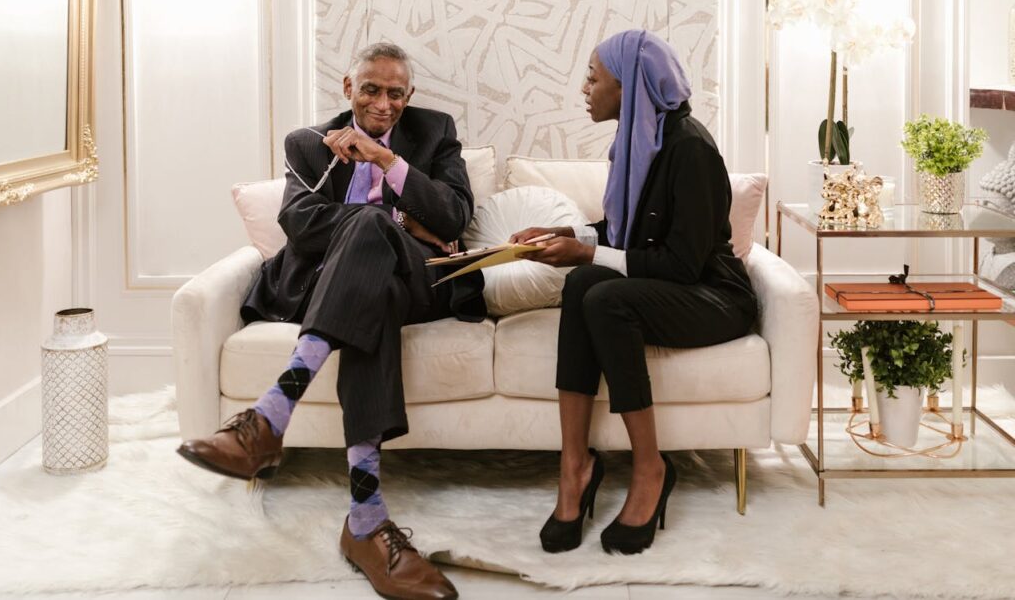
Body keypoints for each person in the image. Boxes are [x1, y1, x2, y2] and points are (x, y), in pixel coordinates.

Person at [177, 42, 485, 600]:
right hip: (337, 282)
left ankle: (271, 417)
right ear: (348, 88)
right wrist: (395, 221)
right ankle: (365, 520)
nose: (384, 103)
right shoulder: (309, 144)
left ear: (409, 96)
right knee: (375, 277)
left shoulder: (436, 133)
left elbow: (453, 216)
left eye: (396, 93)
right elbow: (300, 225)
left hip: (425, 279)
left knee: (374, 238)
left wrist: (386, 162)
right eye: (371, 89)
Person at [510, 30, 758, 555]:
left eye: (594, 77)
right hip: (677, 285)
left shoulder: (690, 148)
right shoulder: (641, 140)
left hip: (714, 299)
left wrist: (586, 253)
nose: (585, 87)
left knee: (604, 294)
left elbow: (681, 265)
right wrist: (569, 239)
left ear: (629, 85)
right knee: (582, 283)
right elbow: (628, 232)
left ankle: (651, 468)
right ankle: (574, 465)